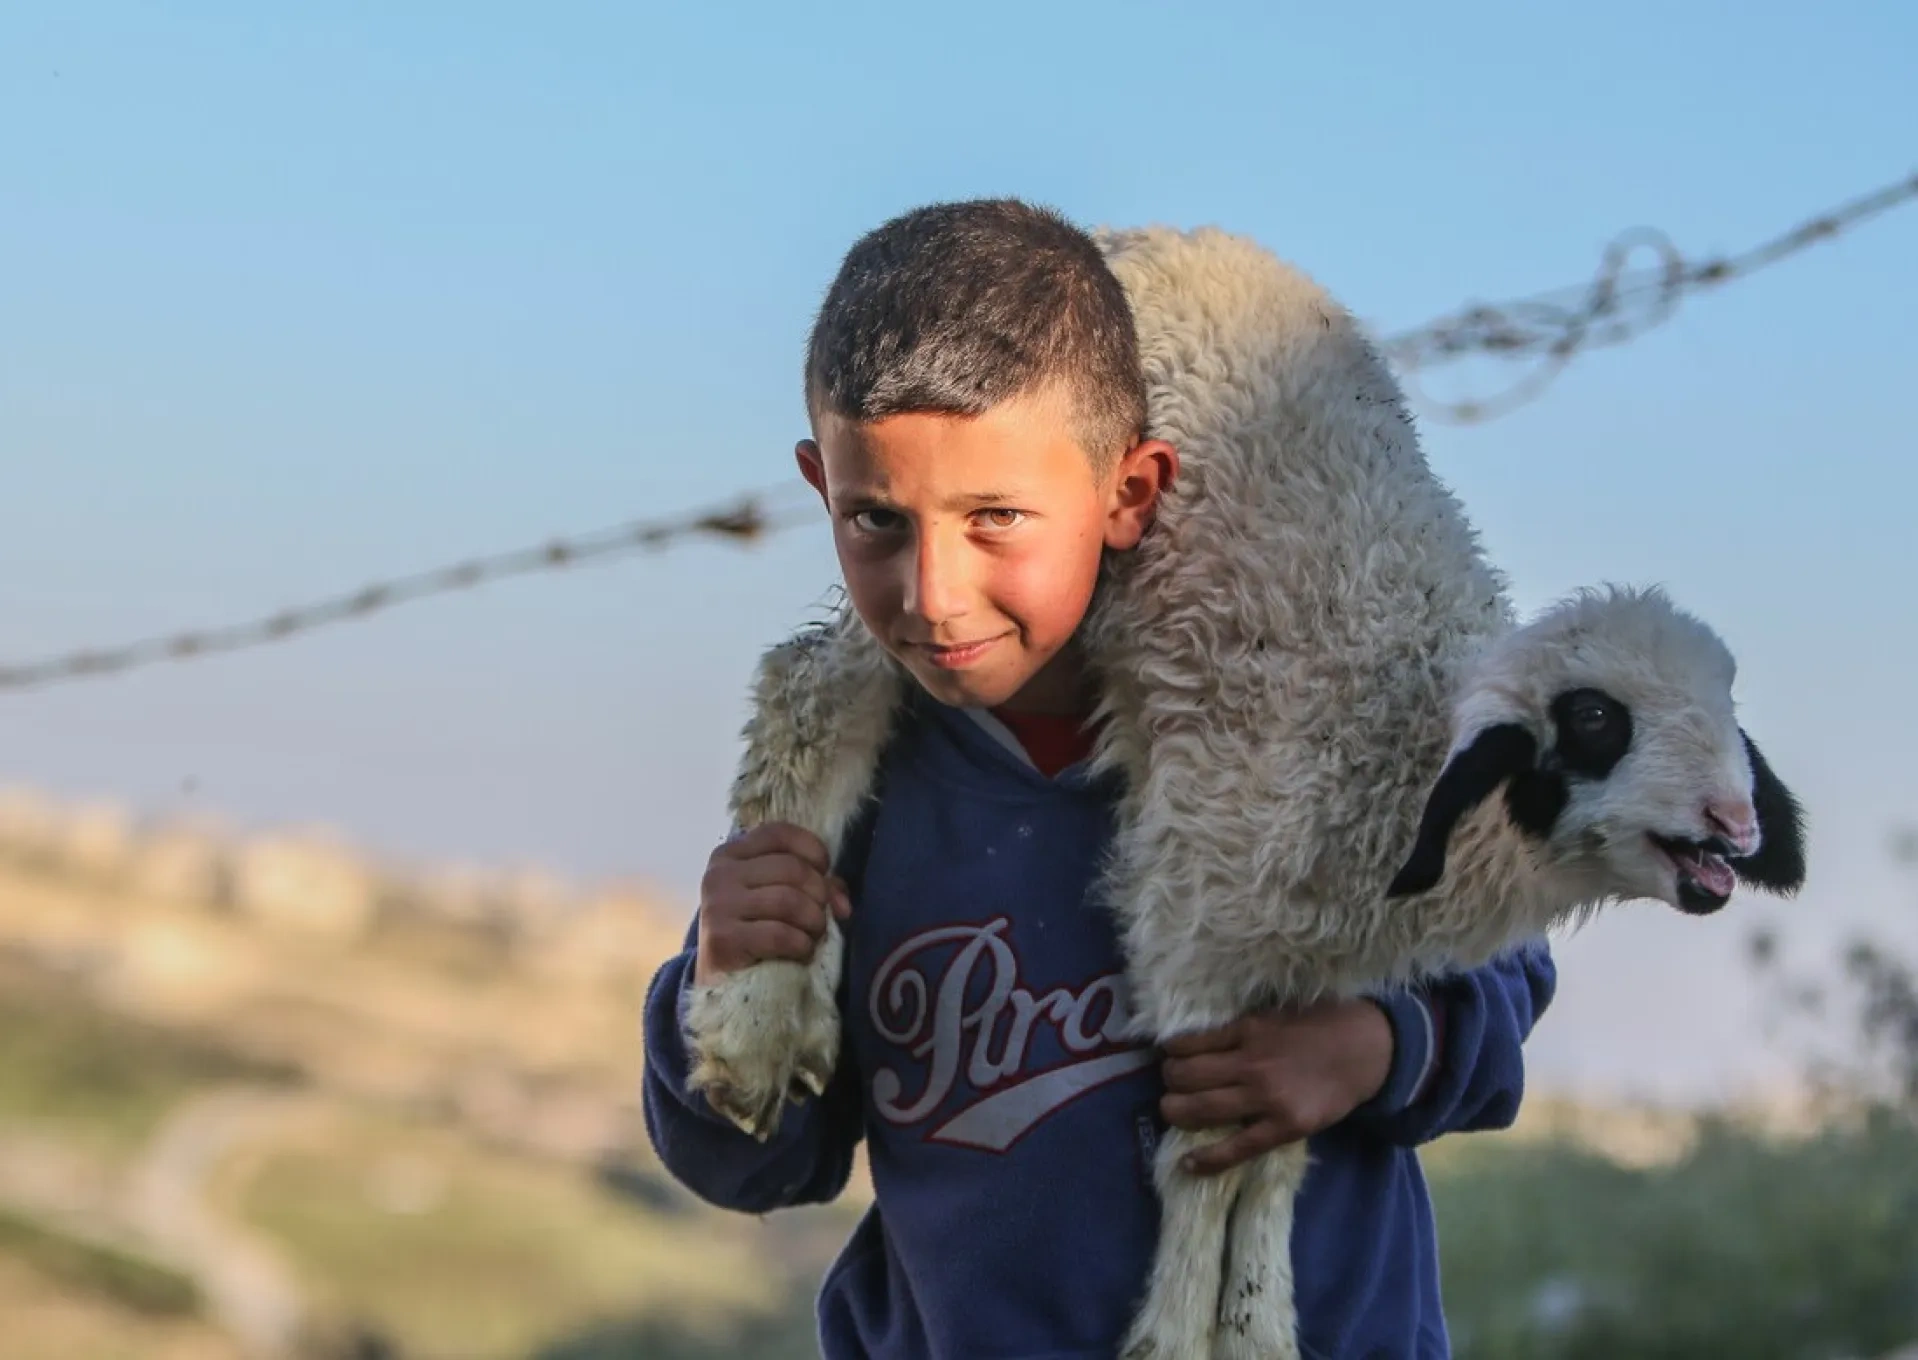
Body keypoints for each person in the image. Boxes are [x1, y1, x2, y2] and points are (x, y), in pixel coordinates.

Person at [641, 197, 1556, 1359]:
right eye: (877, 519)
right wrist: (719, 984)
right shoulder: (835, 793)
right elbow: (756, 1159)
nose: (932, 591)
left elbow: (1503, 965)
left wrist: (1368, 1048)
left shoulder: (1310, 728)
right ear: (819, 484)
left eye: (995, 518)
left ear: (1129, 491)